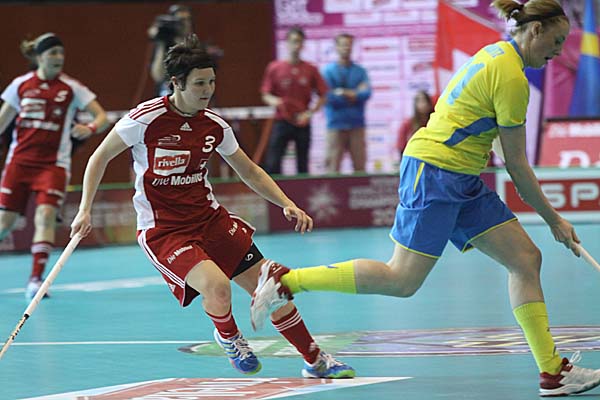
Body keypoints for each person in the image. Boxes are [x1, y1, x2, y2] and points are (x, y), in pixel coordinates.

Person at [250, 1, 600, 396]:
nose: (558, 51)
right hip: (436, 173)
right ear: (535, 31)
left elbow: (501, 146)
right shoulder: (512, 78)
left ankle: (552, 372)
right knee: (402, 279)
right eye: (556, 41)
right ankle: (286, 281)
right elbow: (517, 166)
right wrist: (555, 220)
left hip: (462, 177)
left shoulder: (494, 54)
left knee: (525, 259)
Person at [69, 34, 354, 379]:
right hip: (164, 231)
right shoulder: (145, 119)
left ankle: (315, 360)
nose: (208, 91)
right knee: (217, 287)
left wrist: (286, 203)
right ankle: (229, 337)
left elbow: (249, 170)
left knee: (272, 288)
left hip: (210, 221)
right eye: (199, 84)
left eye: (212, 82)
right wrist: (84, 209)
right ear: (177, 83)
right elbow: (99, 158)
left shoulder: (214, 125)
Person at [0, 33, 108, 300]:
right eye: (52, 53)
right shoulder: (20, 85)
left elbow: (102, 117)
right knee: (5, 222)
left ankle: (36, 279)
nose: (58, 58)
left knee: (46, 215)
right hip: (19, 163)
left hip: (53, 165)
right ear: (39, 57)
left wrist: (90, 127)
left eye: (61, 53)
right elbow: (2, 121)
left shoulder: (71, 87)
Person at [261, 27, 328, 175]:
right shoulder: (274, 67)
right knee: (273, 162)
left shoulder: (310, 69)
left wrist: (309, 113)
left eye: (299, 42)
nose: (296, 45)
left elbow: (323, 95)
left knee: (302, 164)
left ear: (303, 44)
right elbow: (266, 94)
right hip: (282, 120)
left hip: (302, 121)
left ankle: (302, 190)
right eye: (293, 41)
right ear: (287, 43)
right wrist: (277, 102)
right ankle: (274, 189)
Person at [321, 33, 371, 174]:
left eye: (349, 44)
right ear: (336, 47)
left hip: (357, 125)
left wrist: (342, 92)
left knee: (360, 168)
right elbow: (328, 97)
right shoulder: (328, 71)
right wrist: (354, 93)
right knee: (332, 169)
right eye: (343, 44)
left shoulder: (360, 71)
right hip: (336, 125)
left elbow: (366, 93)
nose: (346, 48)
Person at [148, 4, 223, 97]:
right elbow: (158, 76)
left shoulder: (196, 45)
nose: (185, 24)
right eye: (181, 20)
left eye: (188, 20)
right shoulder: (165, 45)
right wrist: (161, 43)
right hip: (169, 93)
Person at [396, 90, 433, 159]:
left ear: (429, 103)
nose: (423, 104)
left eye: (424, 101)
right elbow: (401, 145)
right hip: (413, 158)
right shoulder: (407, 124)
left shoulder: (434, 122)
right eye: (419, 101)